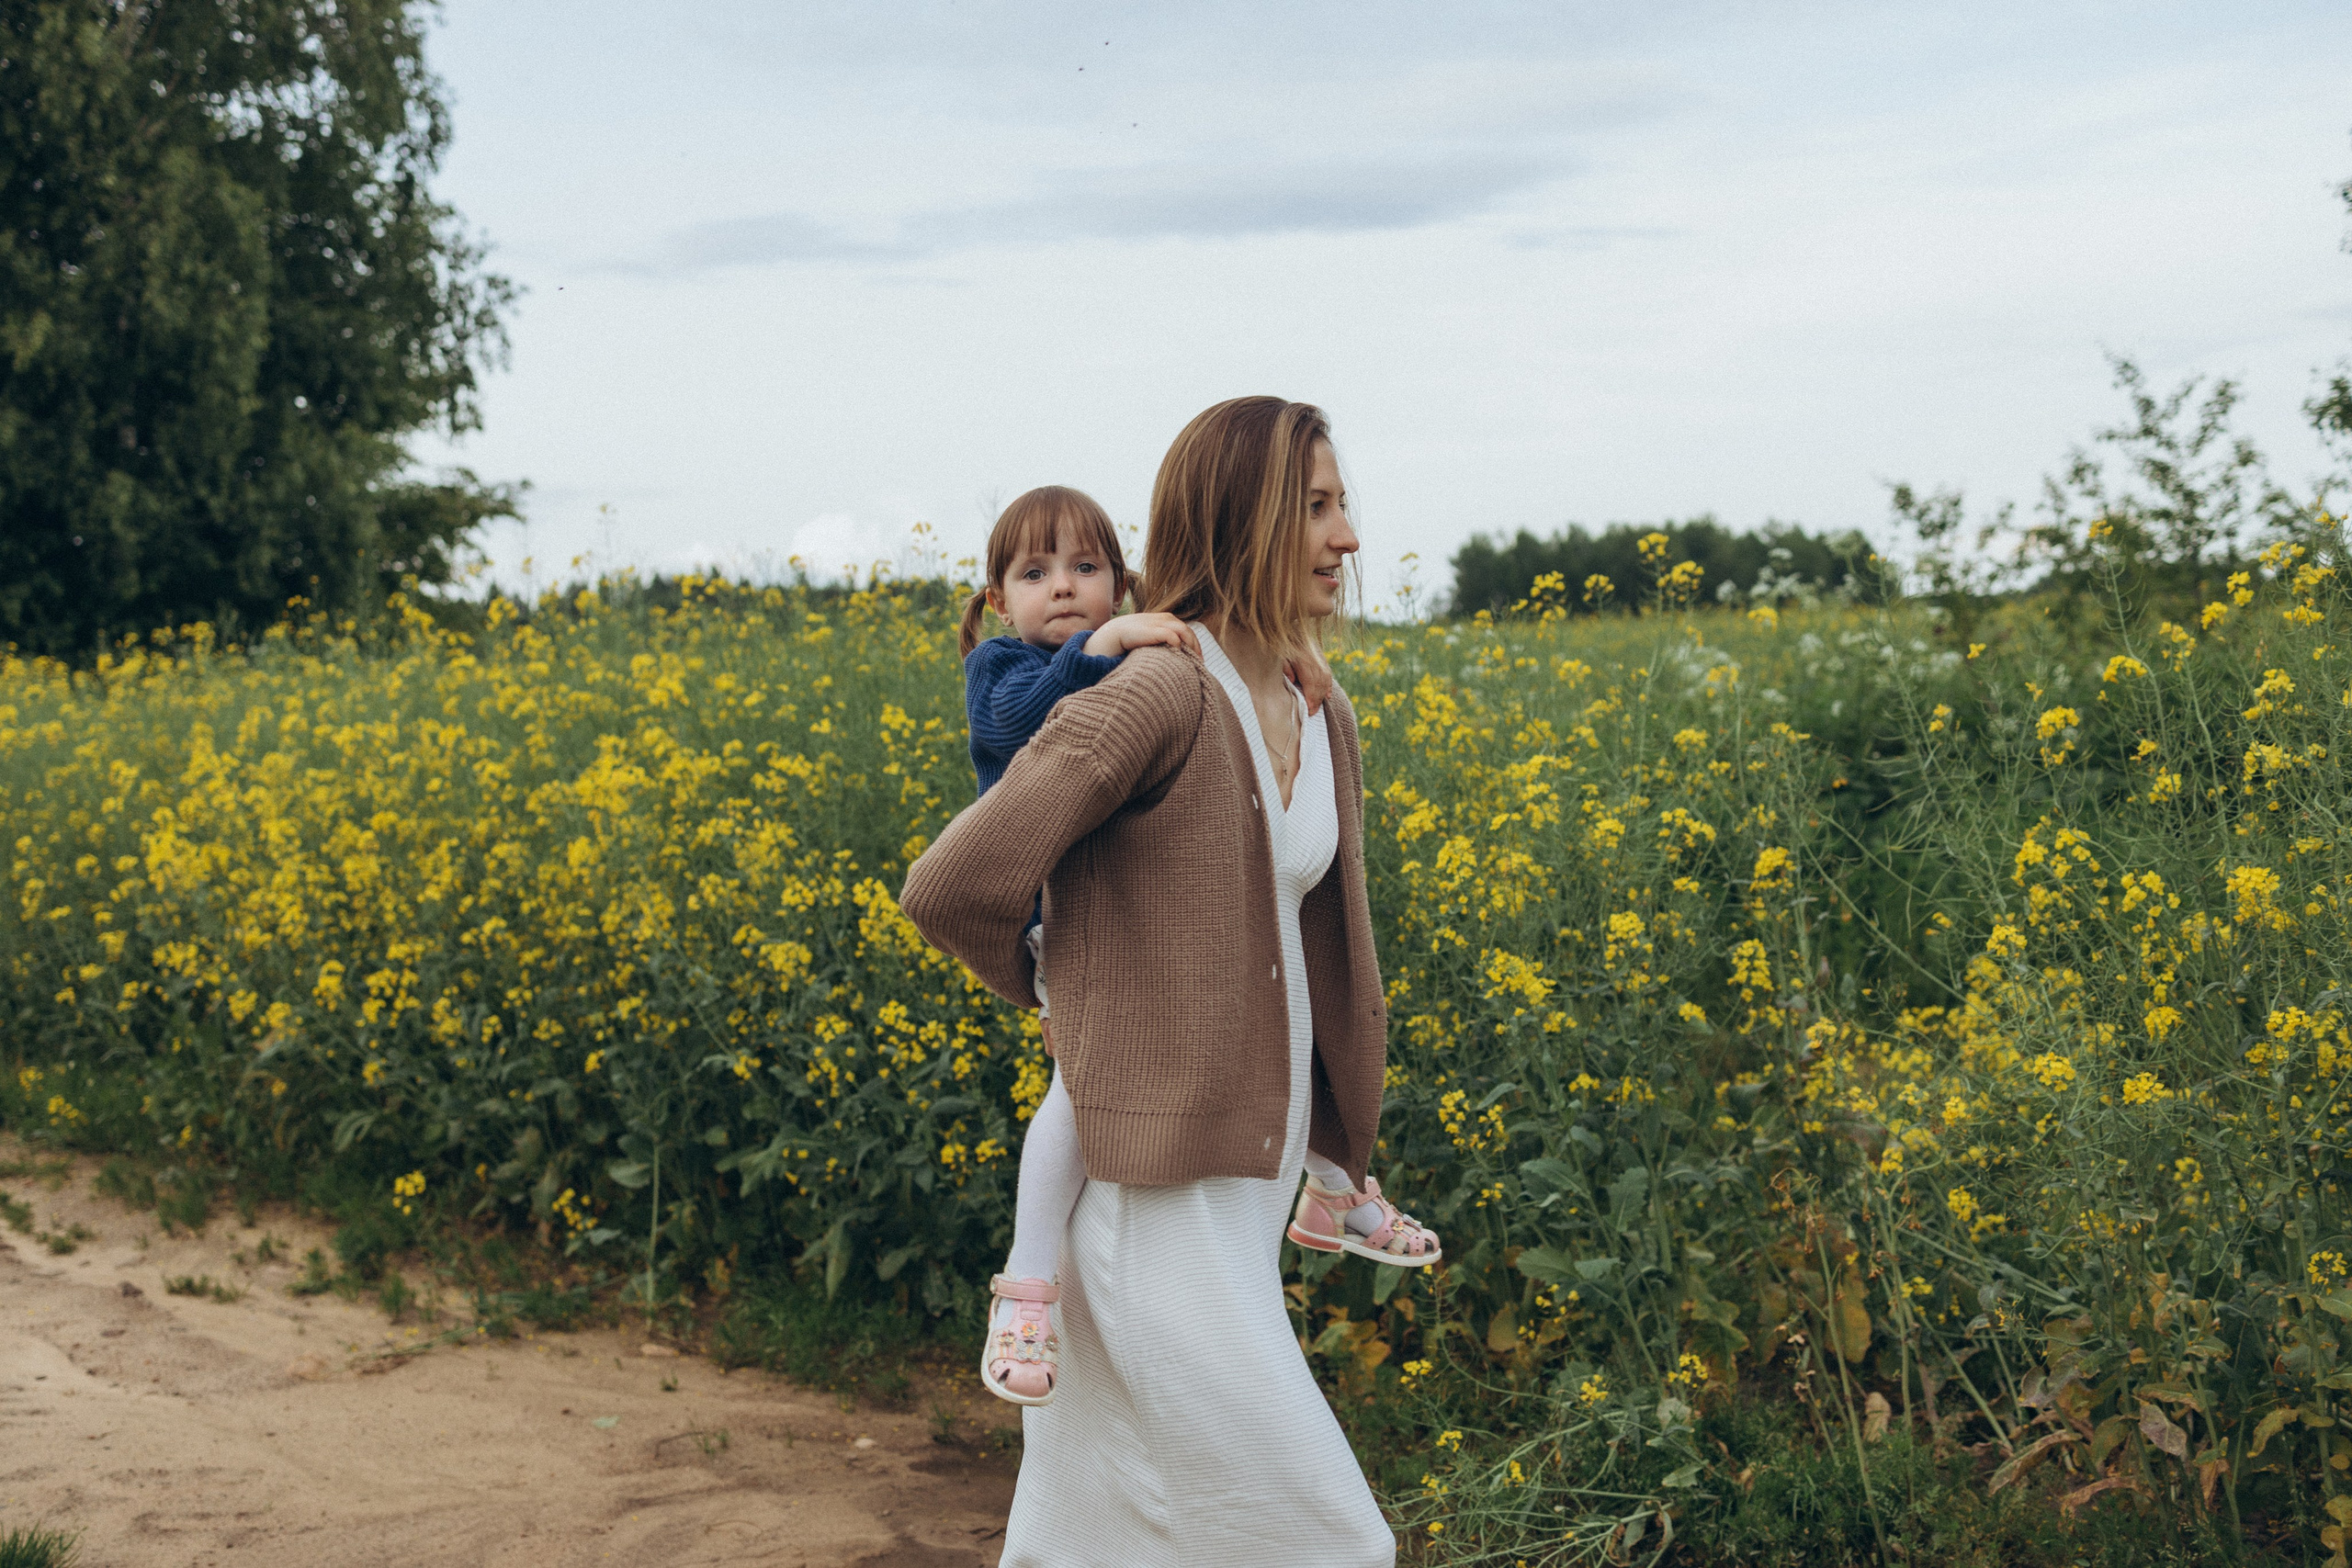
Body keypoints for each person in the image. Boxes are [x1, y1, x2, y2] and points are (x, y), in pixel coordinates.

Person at [902, 398, 1435, 1565]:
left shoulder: (1313, 701)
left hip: (1241, 1185)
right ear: (1243, 520)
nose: (1348, 537)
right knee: (1326, 1539)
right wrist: (1091, 1019)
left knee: (1096, 1525)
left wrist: (1335, 1147)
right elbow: (951, 883)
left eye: (1345, 504)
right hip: (1151, 1202)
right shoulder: (1157, 692)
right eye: (1317, 507)